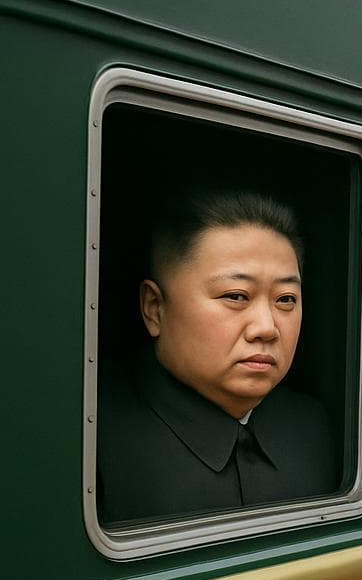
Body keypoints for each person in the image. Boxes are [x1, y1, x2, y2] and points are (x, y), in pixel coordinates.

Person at [96, 191, 337, 525]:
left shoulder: (313, 426)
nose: (266, 328)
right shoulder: (92, 434)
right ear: (155, 308)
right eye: (236, 296)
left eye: (285, 299)